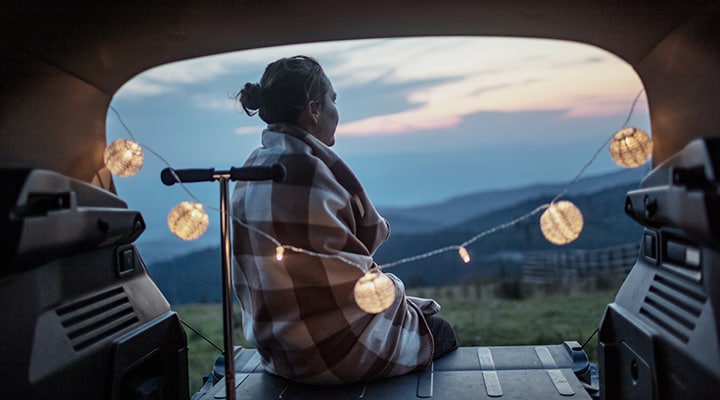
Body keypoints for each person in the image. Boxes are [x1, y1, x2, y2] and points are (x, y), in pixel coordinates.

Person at [230, 55, 457, 384]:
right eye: (332, 100)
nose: (337, 111)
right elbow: (364, 242)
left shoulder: (249, 170)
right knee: (440, 333)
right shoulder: (308, 169)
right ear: (313, 109)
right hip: (330, 350)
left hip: (277, 351)